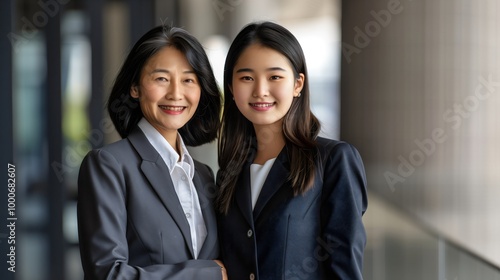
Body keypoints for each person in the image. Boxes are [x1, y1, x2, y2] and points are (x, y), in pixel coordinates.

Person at [216, 21, 368, 280]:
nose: (260, 91)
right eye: (246, 78)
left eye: (274, 77)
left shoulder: (333, 161)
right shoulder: (228, 174)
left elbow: (345, 267)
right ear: (231, 87)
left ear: (297, 84)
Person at [77, 24, 227, 280]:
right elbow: (107, 274)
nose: (176, 93)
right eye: (161, 79)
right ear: (135, 87)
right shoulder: (109, 166)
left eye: (189, 80)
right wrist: (208, 274)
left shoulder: (203, 176)